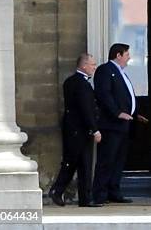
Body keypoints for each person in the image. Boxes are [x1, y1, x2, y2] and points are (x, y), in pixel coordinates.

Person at [92, 43, 148, 205]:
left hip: (124, 125)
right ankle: (100, 194)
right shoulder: (105, 70)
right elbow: (104, 95)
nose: (129, 57)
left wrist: (135, 114)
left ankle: (113, 191)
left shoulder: (121, 73)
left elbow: (125, 98)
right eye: (127, 54)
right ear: (118, 55)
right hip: (111, 125)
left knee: (118, 161)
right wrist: (117, 113)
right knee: (106, 160)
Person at [49, 53, 102, 207]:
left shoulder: (70, 81)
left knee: (73, 162)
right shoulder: (82, 84)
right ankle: (69, 193)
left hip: (73, 128)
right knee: (82, 164)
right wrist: (95, 129)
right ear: (84, 66)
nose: (94, 67)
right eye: (92, 64)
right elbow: (86, 109)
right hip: (81, 130)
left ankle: (64, 192)